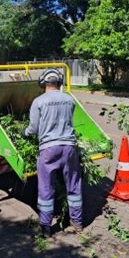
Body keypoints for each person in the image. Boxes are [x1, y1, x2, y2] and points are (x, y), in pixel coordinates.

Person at [23, 69, 82, 237]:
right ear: (59, 82)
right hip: (69, 148)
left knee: (46, 189)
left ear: (43, 83)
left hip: (49, 149)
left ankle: (46, 228)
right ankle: (77, 222)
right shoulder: (69, 100)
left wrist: (24, 132)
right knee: (73, 185)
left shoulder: (38, 102)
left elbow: (33, 129)